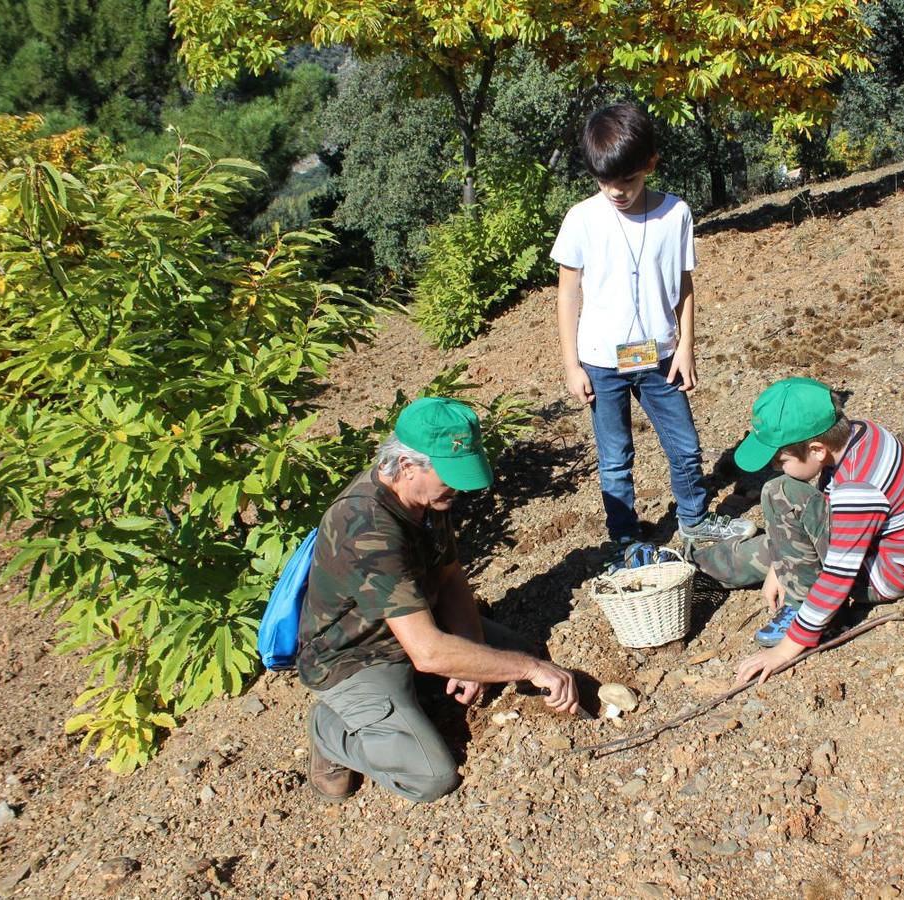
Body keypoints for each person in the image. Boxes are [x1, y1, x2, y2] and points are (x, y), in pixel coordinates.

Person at [297, 397, 582, 803]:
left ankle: (415, 699)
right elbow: (429, 653)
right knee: (431, 777)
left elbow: (449, 578)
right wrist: (529, 669)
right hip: (355, 657)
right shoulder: (366, 527)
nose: (459, 488)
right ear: (408, 465)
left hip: (412, 625)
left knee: (515, 654)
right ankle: (331, 730)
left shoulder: (428, 498)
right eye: (450, 475)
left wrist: (476, 653)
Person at [551, 102, 755, 564]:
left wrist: (686, 347)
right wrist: (571, 365)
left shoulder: (675, 213)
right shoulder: (582, 218)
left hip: (659, 356)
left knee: (685, 445)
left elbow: (684, 286)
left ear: (649, 165)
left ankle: (696, 521)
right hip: (602, 362)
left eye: (627, 180)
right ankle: (624, 538)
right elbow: (567, 296)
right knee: (615, 458)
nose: (617, 192)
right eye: (605, 181)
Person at [688, 377, 904, 685]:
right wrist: (782, 564)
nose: (777, 466)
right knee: (778, 509)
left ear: (816, 449)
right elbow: (831, 507)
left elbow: (837, 576)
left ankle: (803, 606)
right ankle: (696, 566)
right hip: (873, 547)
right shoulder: (862, 432)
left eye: (782, 459)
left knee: (781, 492)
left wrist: (785, 651)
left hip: (882, 573)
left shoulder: (857, 489)